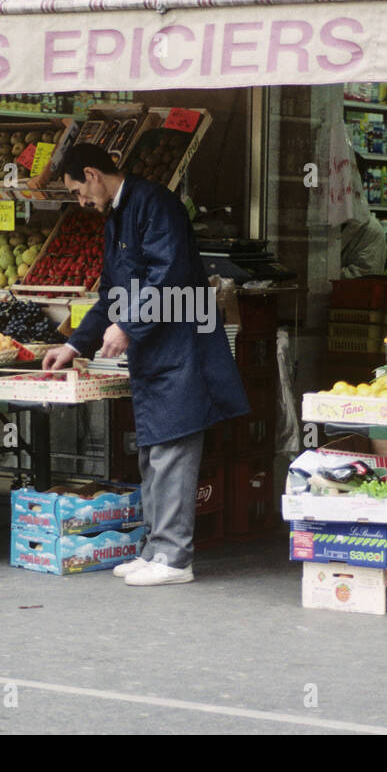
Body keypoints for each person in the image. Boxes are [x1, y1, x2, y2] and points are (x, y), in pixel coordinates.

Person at [43, 144, 249, 586]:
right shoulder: (118, 213)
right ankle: (155, 548)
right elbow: (111, 294)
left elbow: (169, 274)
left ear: (93, 174)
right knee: (153, 451)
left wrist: (129, 327)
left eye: (79, 191)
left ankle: (176, 559)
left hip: (181, 345)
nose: (81, 202)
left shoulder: (155, 203)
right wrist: (76, 346)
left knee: (173, 449)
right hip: (154, 351)